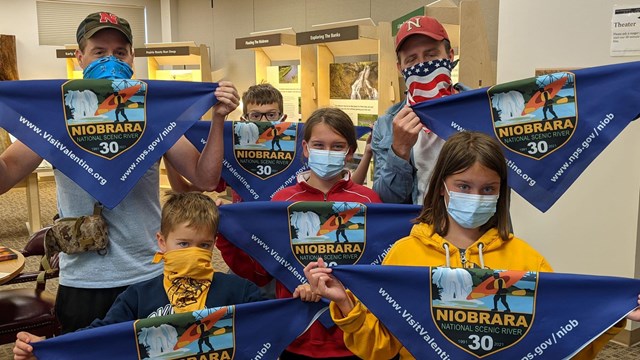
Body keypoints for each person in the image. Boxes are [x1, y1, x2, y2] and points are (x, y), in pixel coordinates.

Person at [0, 11, 239, 333]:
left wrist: (220, 117)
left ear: (132, 58)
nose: (111, 59)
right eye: (99, 52)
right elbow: (4, 178)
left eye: (120, 52)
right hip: (84, 278)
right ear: (80, 56)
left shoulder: (150, 114)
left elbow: (204, 179)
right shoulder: (56, 117)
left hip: (148, 273)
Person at [305, 131, 640, 359]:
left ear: (500, 193)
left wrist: (609, 317)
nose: (475, 197)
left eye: (487, 189)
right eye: (463, 185)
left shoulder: (525, 259)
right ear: (440, 188)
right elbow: (380, 349)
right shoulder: (404, 254)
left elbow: (554, 343)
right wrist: (347, 307)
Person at [13, 191, 264, 359]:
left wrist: (303, 296)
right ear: (162, 242)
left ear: (214, 244)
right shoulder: (138, 296)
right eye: (184, 244)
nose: (193, 253)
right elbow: (99, 335)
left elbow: (276, 317)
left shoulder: (238, 291)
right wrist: (44, 348)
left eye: (204, 245)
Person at [216, 107, 381, 359]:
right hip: (298, 334)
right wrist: (225, 232)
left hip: (353, 335)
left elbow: (378, 268)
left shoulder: (368, 201)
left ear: (349, 152)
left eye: (337, 146)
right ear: (305, 148)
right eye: (319, 144)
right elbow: (259, 271)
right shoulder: (283, 201)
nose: (327, 152)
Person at [372, 15, 469, 204]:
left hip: (473, 232)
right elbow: (386, 199)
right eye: (411, 59)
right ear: (400, 68)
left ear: (450, 56)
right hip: (417, 229)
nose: (422, 65)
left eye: (431, 55)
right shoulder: (386, 125)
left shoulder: (481, 111)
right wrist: (399, 150)